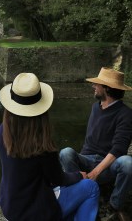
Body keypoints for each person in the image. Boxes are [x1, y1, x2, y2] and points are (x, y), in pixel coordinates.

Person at [0, 72, 99, 221]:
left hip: (11, 208)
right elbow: (58, 179)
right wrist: (79, 175)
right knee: (90, 187)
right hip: (36, 214)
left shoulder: (2, 131)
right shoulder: (40, 144)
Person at [60, 67, 132, 221]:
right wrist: (82, 166)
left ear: (107, 88)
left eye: (97, 84)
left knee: (128, 163)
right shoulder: (95, 107)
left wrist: (96, 172)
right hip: (87, 160)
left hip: (108, 167)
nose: (94, 86)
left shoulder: (125, 114)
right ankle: (80, 193)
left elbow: (119, 149)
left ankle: (114, 206)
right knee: (66, 152)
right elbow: (89, 143)